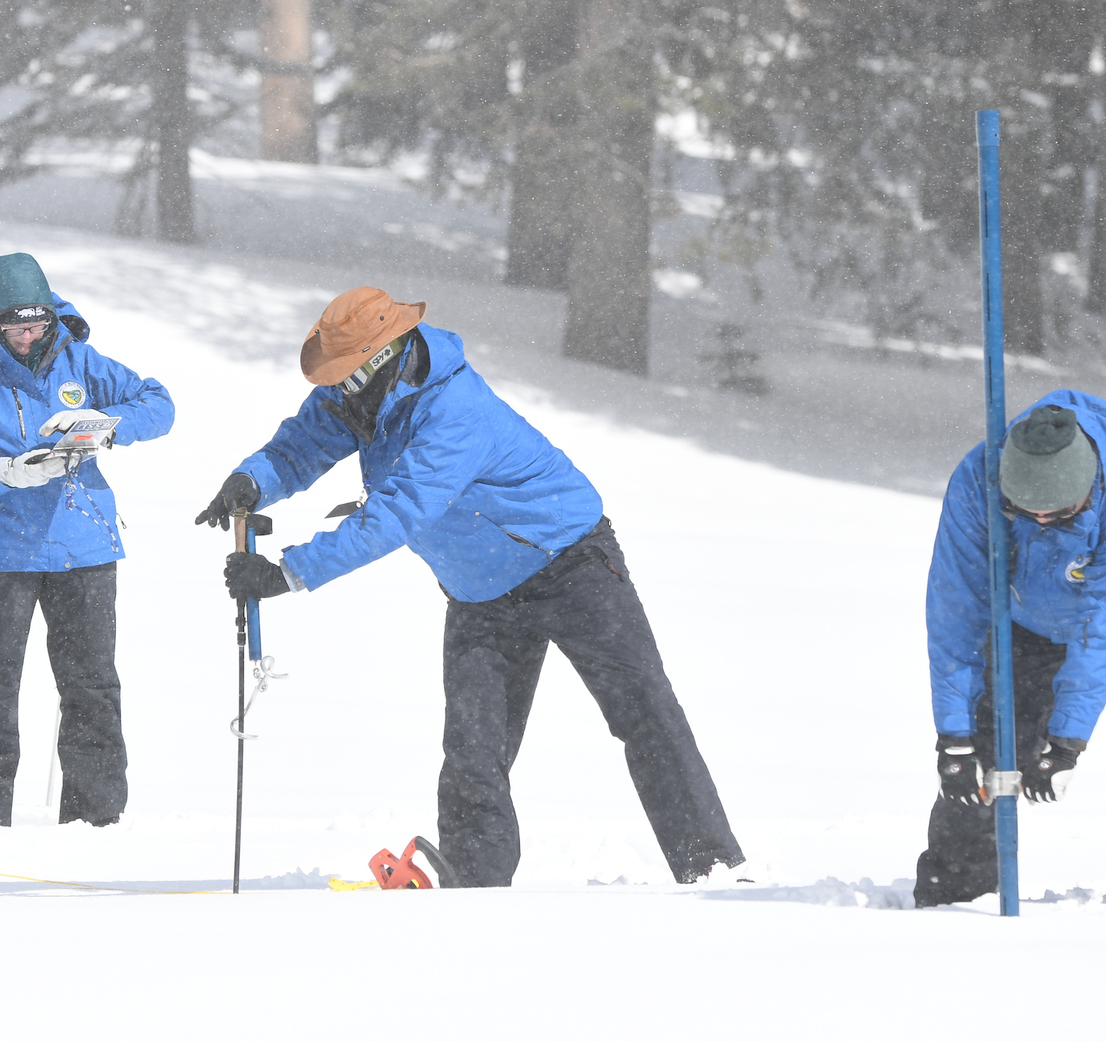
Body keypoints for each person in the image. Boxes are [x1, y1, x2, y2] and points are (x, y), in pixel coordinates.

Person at [194, 286, 744, 887]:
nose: (335, 391)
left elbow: (398, 512)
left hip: (572, 565)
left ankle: (711, 869)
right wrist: (250, 481)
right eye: (331, 380)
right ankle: (475, 886)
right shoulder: (355, 396)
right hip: (481, 592)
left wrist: (289, 573)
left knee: (644, 713)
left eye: (344, 377)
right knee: (473, 751)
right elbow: (301, 445)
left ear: (384, 357)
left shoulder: (453, 409)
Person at [917, 390, 1106, 922]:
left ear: (1088, 490)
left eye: (1056, 515)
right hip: (1028, 614)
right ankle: (953, 894)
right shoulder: (977, 479)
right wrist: (954, 737)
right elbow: (956, 610)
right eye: (1021, 511)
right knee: (990, 741)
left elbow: (1104, 628)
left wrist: (1065, 744)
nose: (1038, 523)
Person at [0, 253, 174, 827]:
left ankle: (95, 820)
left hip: (82, 548)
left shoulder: (82, 362)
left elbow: (159, 404)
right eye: (15, 327)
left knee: (91, 686)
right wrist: (4, 474)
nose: (27, 336)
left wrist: (108, 427)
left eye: (37, 325)